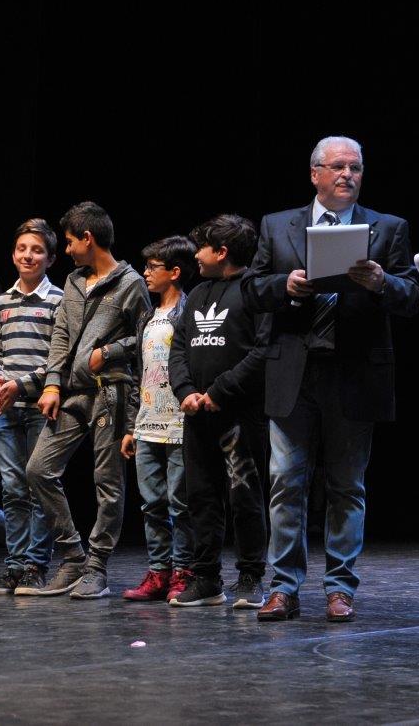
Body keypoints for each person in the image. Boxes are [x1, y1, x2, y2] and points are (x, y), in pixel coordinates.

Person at [244, 135, 419, 622]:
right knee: (285, 483)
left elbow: (412, 297)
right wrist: (285, 284)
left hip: (354, 373)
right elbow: (252, 290)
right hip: (293, 374)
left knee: (347, 486)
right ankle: (283, 587)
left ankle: (340, 588)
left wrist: (382, 283)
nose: (348, 175)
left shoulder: (387, 228)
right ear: (315, 174)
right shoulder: (278, 225)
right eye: (338, 166)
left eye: (356, 168)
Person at [24, 201, 151, 599]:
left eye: (69, 242)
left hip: (112, 392)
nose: (67, 250)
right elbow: (61, 335)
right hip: (73, 392)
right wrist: (51, 384)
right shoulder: (74, 281)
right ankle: (72, 555)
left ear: (88, 238)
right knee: (38, 469)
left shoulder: (131, 283)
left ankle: (97, 566)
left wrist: (110, 352)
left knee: (107, 483)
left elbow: (147, 339)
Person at [168, 214, 271, 609]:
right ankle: (207, 578)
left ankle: (251, 575)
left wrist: (219, 391)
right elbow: (179, 348)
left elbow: (262, 352)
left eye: (202, 247)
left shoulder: (255, 290)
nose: (196, 255)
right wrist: (186, 391)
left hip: (240, 415)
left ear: (222, 252)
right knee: (201, 497)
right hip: (197, 415)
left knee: (245, 495)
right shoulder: (197, 294)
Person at [0, 219, 64, 596]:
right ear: (13, 254)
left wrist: (21, 385)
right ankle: (14, 566)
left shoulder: (59, 301)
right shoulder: (2, 302)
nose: (28, 256)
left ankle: (35, 566)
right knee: (12, 488)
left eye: (37, 250)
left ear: (50, 258)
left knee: (37, 487)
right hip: (4, 406)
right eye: (22, 249)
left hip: (39, 407)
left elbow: (59, 359)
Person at [119, 235, 196, 603]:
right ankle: (159, 571)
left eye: (152, 267)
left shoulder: (189, 311)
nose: (146, 273)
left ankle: (184, 571)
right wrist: (132, 425)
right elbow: (140, 373)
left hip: (179, 422)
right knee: (152, 504)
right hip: (148, 421)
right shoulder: (147, 316)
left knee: (181, 504)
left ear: (175, 272)